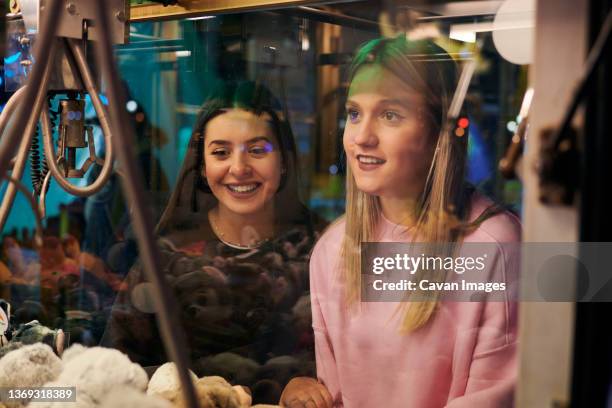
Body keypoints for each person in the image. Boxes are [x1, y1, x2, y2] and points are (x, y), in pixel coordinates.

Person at [282, 37, 520, 407]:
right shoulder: (333, 247)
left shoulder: (496, 245)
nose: (361, 137)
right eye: (354, 113)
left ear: (437, 132)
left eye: (390, 115)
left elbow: (496, 398)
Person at [103, 81, 323, 405]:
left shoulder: (322, 249)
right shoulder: (167, 257)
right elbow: (115, 369)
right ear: (202, 167)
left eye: (258, 150)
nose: (239, 168)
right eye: (221, 152)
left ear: (285, 160)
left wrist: (306, 380)